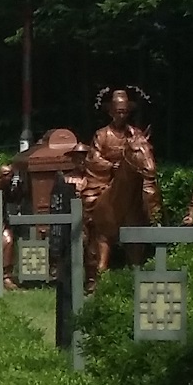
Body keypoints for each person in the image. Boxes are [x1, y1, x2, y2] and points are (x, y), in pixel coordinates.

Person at [81, 86, 163, 287]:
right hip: (105, 179)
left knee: (151, 192)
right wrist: (111, 166)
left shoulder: (135, 133)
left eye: (125, 111)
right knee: (90, 200)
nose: (122, 115)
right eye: (118, 111)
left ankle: (156, 225)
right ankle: (88, 235)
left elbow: (144, 153)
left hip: (133, 179)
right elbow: (94, 157)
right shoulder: (102, 135)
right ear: (110, 112)